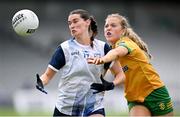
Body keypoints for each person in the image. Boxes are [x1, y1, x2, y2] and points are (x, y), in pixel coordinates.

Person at [36, 10, 125, 117]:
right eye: (69, 23)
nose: (72, 26)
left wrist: (111, 84)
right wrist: (40, 82)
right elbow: (47, 76)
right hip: (65, 109)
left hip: (94, 107)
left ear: (87, 22)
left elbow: (121, 74)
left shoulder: (103, 48)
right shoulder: (64, 49)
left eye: (75, 21)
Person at [88, 13, 174, 116]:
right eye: (106, 26)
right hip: (134, 97)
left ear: (123, 30)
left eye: (113, 25)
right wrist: (112, 84)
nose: (108, 28)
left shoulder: (125, 43)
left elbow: (116, 52)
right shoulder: (112, 49)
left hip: (154, 92)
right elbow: (122, 76)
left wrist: (102, 59)